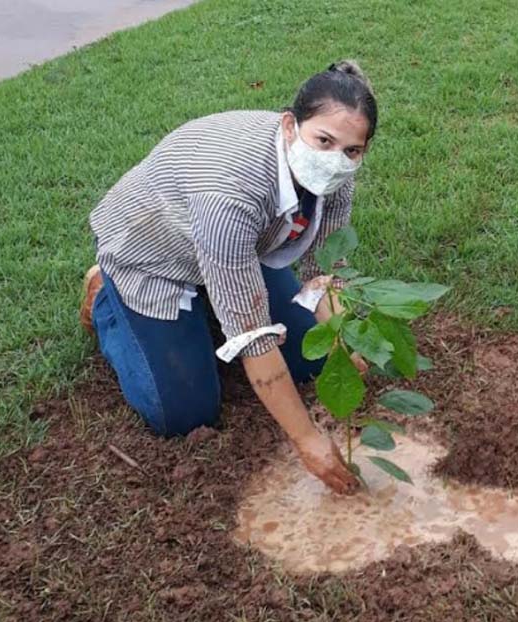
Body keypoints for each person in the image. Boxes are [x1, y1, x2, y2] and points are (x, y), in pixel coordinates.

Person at [79, 61, 378, 495]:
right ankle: (107, 300)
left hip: (237, 250)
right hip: (152, 256)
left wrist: (345, 340)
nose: (336, 160)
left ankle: (216, 297)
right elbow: (254, 337)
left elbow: (324, 273)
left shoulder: (336, 172)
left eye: (352, 150)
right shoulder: (229, 194)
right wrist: (308, 440)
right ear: (291, 125)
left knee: (313, 358)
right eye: (324, 140)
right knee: (184, 414)